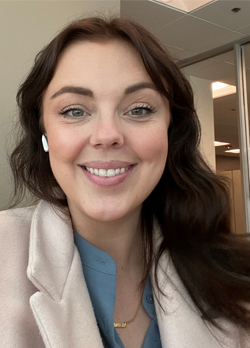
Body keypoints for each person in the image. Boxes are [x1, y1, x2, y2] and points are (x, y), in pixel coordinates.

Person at [1, 15, 250, 348]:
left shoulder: (233, 274)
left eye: (139, 109)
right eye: (74, 111)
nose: (107, 136)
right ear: (43, 132)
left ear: (170, 131)